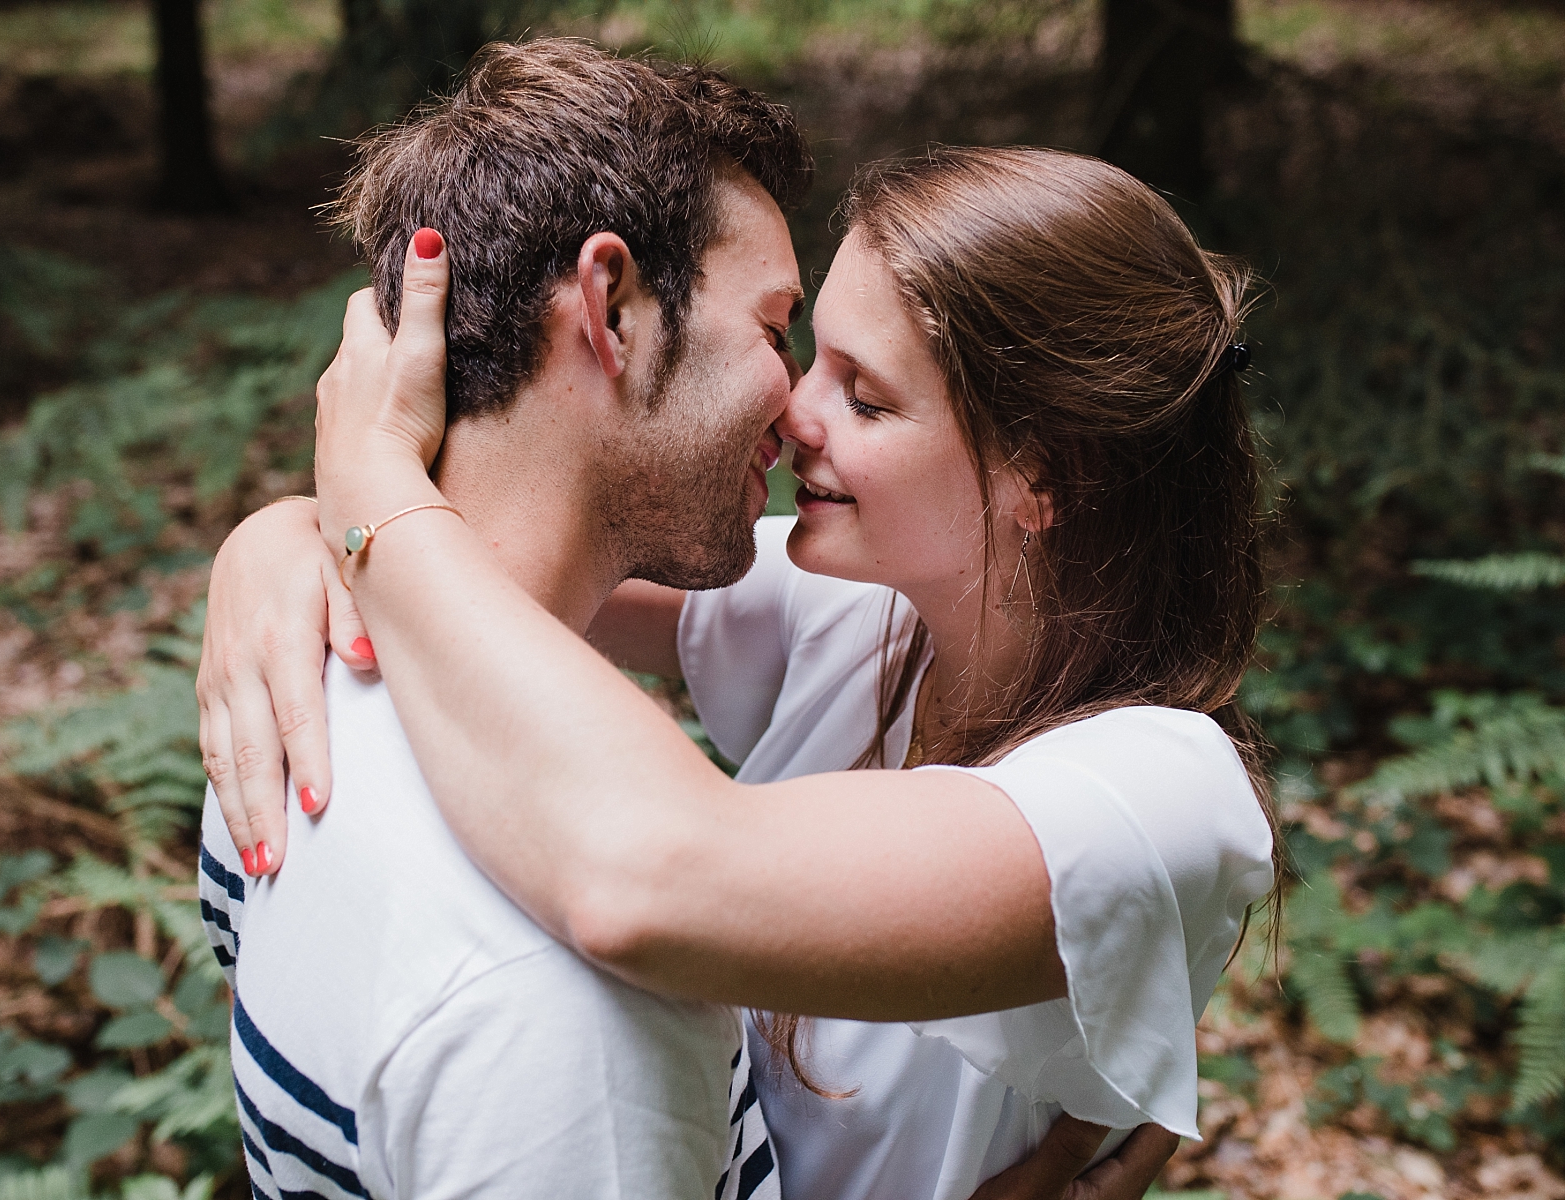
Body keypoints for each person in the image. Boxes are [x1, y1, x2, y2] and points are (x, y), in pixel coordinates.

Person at [208, 117, 1260, 1200]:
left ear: (1044, 477)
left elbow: (645, 874)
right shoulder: (860, 611)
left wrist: (368, 481)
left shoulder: (1158, 800)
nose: (794, 407)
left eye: (866, 395)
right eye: (808, 352)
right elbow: (503, 551)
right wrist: (280, 537)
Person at [195, 40, 815, 1199]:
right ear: (613, 303)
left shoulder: (287, 705)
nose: (805, 401)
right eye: (776, 328)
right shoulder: (571, 1010)